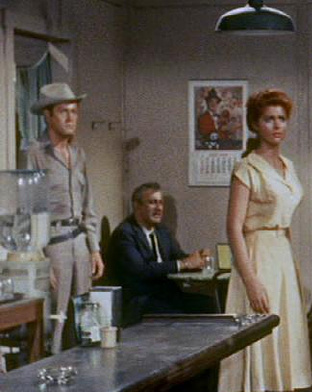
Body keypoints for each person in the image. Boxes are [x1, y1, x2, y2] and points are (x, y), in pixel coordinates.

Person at [218, 88, 312, 392]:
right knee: (254, 358)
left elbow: (286, 223)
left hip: (282, 258)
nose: (277, 125)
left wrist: (292, 271)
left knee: (285, 357)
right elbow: (233, 228)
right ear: (256, 125)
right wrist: (251, 281)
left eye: (281, 119)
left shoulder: (289, 166)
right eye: (269, 119)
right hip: (255, 259)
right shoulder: (247, 168)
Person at [26, 82, 105, 353]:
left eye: (74, 112)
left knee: (84, 318)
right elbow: (28, 211)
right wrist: (40, 259)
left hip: (79, 242)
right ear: (48, 116)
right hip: (54, 244)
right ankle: (53, 367)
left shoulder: (78, 154)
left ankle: (83, 372)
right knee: (56, 321)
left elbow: (88, 205)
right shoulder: (36, 154)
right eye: (64, 112)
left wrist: (94, 248)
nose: (71, 118)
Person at [106, 182, 218, 326]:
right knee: (181, 315)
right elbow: (141, 270)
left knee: (209, 304)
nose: (159, 208)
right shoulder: (125, 234)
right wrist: (184, 264)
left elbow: (178, 257)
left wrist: (197, 259)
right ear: (137, 206)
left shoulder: (162, 231)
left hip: (165, 295)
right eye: (152, 202)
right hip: (141, 301)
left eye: (161, 203)